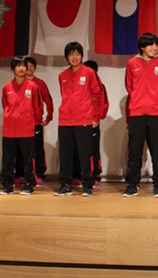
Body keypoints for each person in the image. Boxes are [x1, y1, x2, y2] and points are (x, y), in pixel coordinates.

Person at [123, 33, 158, 198]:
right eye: (150, 45)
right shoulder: (132, 63)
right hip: (137, 114)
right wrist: (136, 103)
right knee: (134, 151)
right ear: (142, 47)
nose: (154, 48)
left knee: (157, 152)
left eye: (156, 45)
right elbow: (129, 86)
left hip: (157, 114)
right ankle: (132, 185)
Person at [54, 42, 104, 198]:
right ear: (66, 57)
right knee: (66, 155)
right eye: (71, 54)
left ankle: (87, 185)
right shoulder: (62, 75)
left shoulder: (89, 73)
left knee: (85, 155)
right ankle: (65, 185)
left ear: (82, 56)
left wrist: (94, 116)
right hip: (65, 121)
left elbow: (98, 95)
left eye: (77, 54)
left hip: (83, 120)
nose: (74, 57)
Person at [0, 58, 41, 195]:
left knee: (28, 160)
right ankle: (7, 184)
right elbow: (5, 105)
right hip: (9, 129)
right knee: (8, 159)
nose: (22, 68)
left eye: (23, 66)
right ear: (12, 69)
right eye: (18, 66)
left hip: (26, 128)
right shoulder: (7, 87)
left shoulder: (33, 86)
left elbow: (37, 107)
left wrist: (34, 122)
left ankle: (29, 184)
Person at [13, 57, 53, 187]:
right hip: (20, 123)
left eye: (32, 66)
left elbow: (48, 101)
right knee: (19, 150)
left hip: (35, 123)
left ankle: (39, 174)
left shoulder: (40, 83)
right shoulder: (17, 83)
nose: (29, 68)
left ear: (35, 68)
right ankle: (19, 174)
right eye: (27, 66)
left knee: (37, 149)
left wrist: (48, 117)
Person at [83, 60, 109, 188]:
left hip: (92, 123)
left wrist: (96, 118)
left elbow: (104, 104)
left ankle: (95, 176)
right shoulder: (80, 85)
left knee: (93, 150)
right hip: (79, 123)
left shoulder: (100, 86)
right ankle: (78, 176)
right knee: (79, 150)